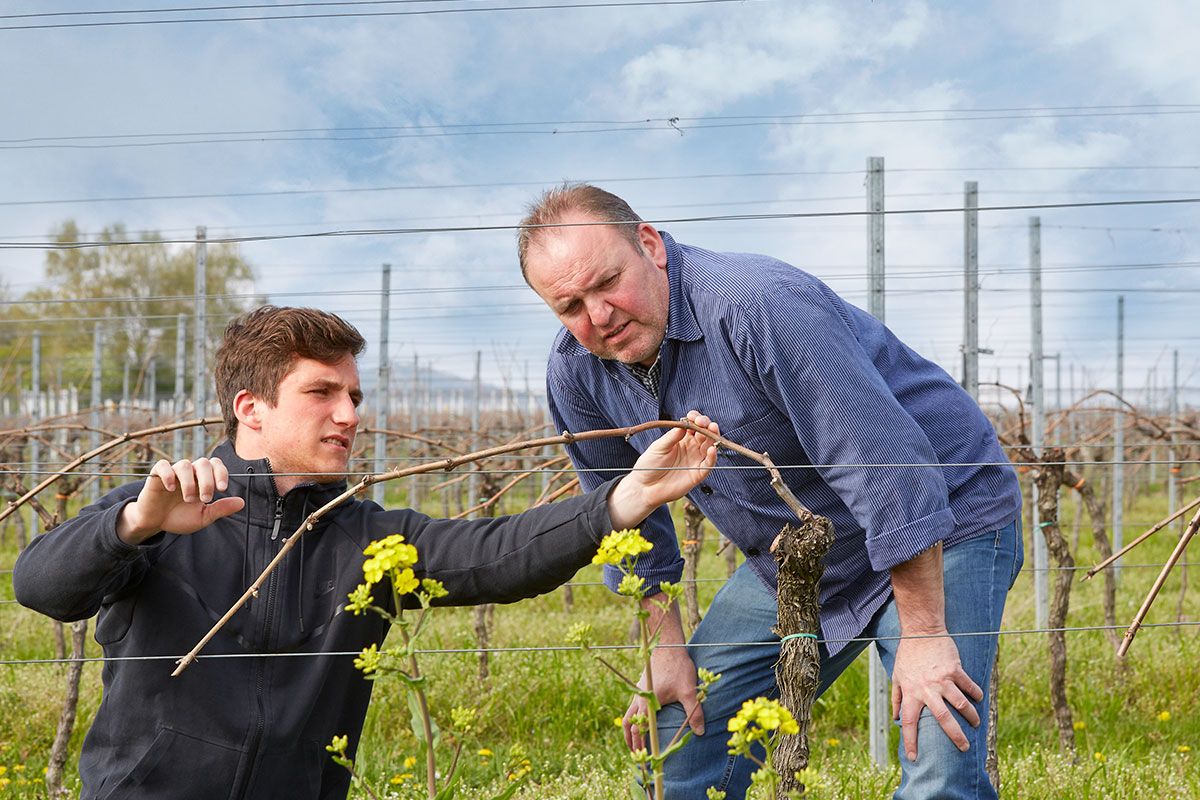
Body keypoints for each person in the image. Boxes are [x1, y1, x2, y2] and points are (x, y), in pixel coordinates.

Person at [13, 305, 720, 800]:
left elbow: (499, 554)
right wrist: (135, 523)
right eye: (321, 392)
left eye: (353, 393)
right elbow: (40, 586)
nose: (350, 415)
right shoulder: (161, 508)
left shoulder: (368, 538)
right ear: (249, 408)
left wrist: (626, 500)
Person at [518, 184, 1024, 799]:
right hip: (799, 556)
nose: (597, 317)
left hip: (944, 518)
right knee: (679, 744)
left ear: (648, 244)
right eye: (569, 305)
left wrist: (923, 635)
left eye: (607, 283)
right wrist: (664, 644)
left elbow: (883, 464)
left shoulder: (756, 305)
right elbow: (627, 513)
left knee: (941, 756)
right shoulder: (575, 370)